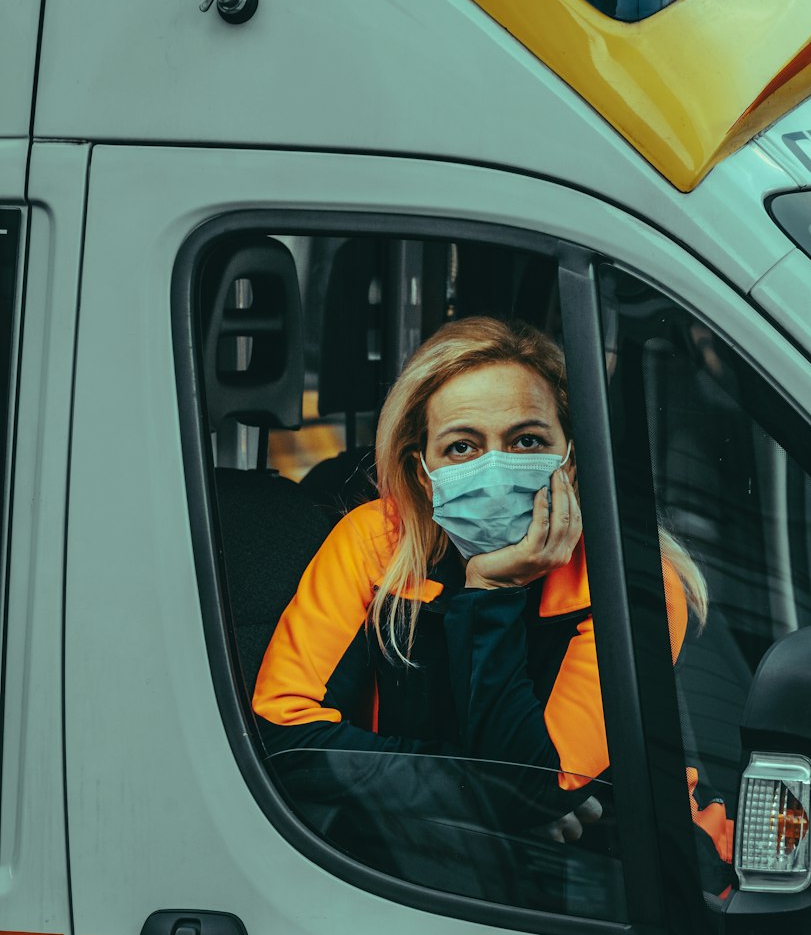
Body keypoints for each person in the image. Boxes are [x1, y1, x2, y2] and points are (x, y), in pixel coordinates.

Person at [252, 316, 729, 867]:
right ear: (423, 467)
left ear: (571, 458)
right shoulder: (374, 541)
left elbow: (536, 786)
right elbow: (283, 741)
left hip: (620, 872)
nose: (496, 469)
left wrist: (492, 589)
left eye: (527, 440)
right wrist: (485, 798)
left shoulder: (632, 580)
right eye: (461, 447)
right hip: (426, 863)